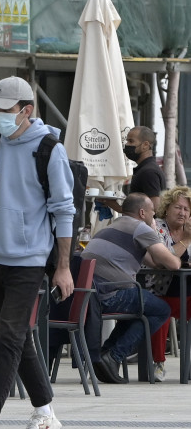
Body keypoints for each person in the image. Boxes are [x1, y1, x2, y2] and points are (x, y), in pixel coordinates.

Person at [0, 76, 75, 429]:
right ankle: (46, 412)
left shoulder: (50, 149)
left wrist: (63, 267)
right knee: (18, 337)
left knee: (8, 334)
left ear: (27, 110)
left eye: (6, 111)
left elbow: (64, 209)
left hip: (31, 258)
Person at [81, 193, 179, 384]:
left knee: (139, 310)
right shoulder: (140, 228)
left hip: (88, 295)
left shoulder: (113, 227)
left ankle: (106, 355)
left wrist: (154, 244)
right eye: (152, 212)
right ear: (142, 213)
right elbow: (173, 264)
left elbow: (152, 262)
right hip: (110, 294)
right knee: (161, 310)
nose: (154, 216)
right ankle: (114, 355)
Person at [145, 185, 191, 382]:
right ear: (167, 208)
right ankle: (158, 363)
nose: (182, 213)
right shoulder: (157, 227)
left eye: (187, 209)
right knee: (160, 311)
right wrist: (187, 240)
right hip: (160, 291)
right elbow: (166, 261)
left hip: (187, 295)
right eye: (178, 207)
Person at [107, 126, 164, 213]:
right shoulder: (146, 169)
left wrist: (118, 207)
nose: (126, 145)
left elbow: (154, 208)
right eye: (127, 141)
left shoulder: (148, 172)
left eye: (131, 141)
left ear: (145, 145)